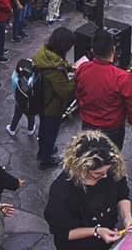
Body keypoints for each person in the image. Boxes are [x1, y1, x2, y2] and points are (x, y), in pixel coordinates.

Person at [43, 131, 132, 250]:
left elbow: (122, 194)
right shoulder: (62, 191)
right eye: (97, 174)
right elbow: (63, 233)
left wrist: (127, 217)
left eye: (106, 172)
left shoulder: (110, 170)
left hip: (105, 237)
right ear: (81, 170)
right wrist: (96, 231)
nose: (105, 177)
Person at [74, 30, 132, 150]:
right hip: (112, 129)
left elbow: (78, 92)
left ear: (92, 50)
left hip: (88, 124)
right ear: (114, 50)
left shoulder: (82, 69)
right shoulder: (123, 77)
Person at [28, 27, 76, 169]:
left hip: (41, 101)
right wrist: (76, 79)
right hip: (52, 107)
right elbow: (65, 92)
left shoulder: (44, 54)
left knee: (44, 130)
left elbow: (59, 64)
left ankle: (43, 151)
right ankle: (46, 159)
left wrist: (68, 68)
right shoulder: (54, 70)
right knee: (50, 133)